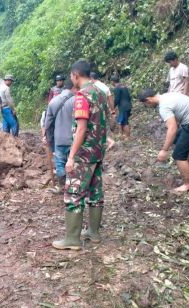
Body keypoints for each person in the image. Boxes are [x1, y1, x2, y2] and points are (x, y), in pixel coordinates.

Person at [52, 60, 107, 251]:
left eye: (71, 76)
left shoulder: (82, 96)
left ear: (75, 75)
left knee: (73, 194)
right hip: (98, 152)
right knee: (95, 193)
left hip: (84, 154)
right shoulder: (100, 92)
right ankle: (93, 232)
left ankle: (72, 239)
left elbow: (81, 128)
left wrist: (71, 157)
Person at [138, 88, 189, 192]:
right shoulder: (167, 95)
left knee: (178, 155)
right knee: (177, 140)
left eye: (146, 105)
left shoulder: (163, 106)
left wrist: (164, 150)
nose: (148, 106)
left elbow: (172, 128)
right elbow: (175, 122)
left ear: (148, 100)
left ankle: (187, 185)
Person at [44, 80, 76, 193]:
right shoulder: (78, 101)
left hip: (59, 139)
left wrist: (48, 138)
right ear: (73, 88)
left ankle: (63, 187)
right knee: (73, 163)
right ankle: (73, 187)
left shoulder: (53, 101)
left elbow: (47, 124)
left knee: (60, 164)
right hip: (74, 139)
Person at [91, 72, 115, 150]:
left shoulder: (92, 87)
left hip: (96, 109)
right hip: (105, 108)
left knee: (96, 126)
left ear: (91, 78)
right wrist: (112, 109)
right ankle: (108, 140)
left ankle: (107, 142)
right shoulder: (104, 86)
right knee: (105, 125)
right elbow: (110, 99)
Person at [111, 75, 132, 139]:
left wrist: (112, 107)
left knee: (124, 122)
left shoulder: (117, 88)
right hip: (128, 105)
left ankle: (127, 137)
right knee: (122, 121)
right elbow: (129, 96)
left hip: (123, 107)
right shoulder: (124, 86)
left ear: (112, 82)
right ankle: (123, 135)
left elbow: (117, 99)